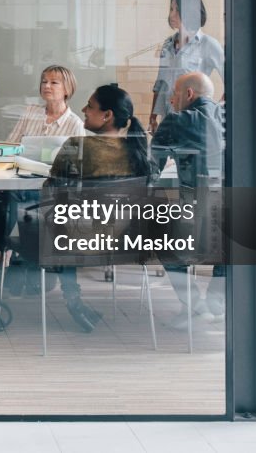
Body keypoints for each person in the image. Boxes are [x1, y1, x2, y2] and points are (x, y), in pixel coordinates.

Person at [18, 83, 154, 332]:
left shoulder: (77, 146)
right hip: (125, 240)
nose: (83, 109)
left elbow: (51, 191)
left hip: (78, 239)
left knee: (34, 217)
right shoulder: (139, 152)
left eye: (90, 107)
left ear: (107, 115)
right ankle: (69, 296)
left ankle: (68, 295)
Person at [0, 65, 86, 284]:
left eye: (54, 82)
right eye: (44, 81)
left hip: (49, 191)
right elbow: (11, 146)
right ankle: (4, 247)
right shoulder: (30, 113)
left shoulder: (74, 124)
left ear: (67, 89)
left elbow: (77, 167)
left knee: (8, 201)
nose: (47, 86)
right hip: (19, 182)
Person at [151, 71, 226, 329]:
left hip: (195, 217)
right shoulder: (234, 117)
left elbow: (152, 167)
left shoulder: (178, 119)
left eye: (174, 94)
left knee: (159, 238)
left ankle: (194, 306)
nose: (171, 100)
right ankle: (218, 301)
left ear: (189, 95)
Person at [148, 0, 224, 135]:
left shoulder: (208, 44)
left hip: (193, 121)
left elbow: (231, 82)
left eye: (177, 10)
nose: (171, 15)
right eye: (171, 9)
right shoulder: (167, 44)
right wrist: (152, 117)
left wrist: (215, 111)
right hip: (168, 119)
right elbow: (160, 83)